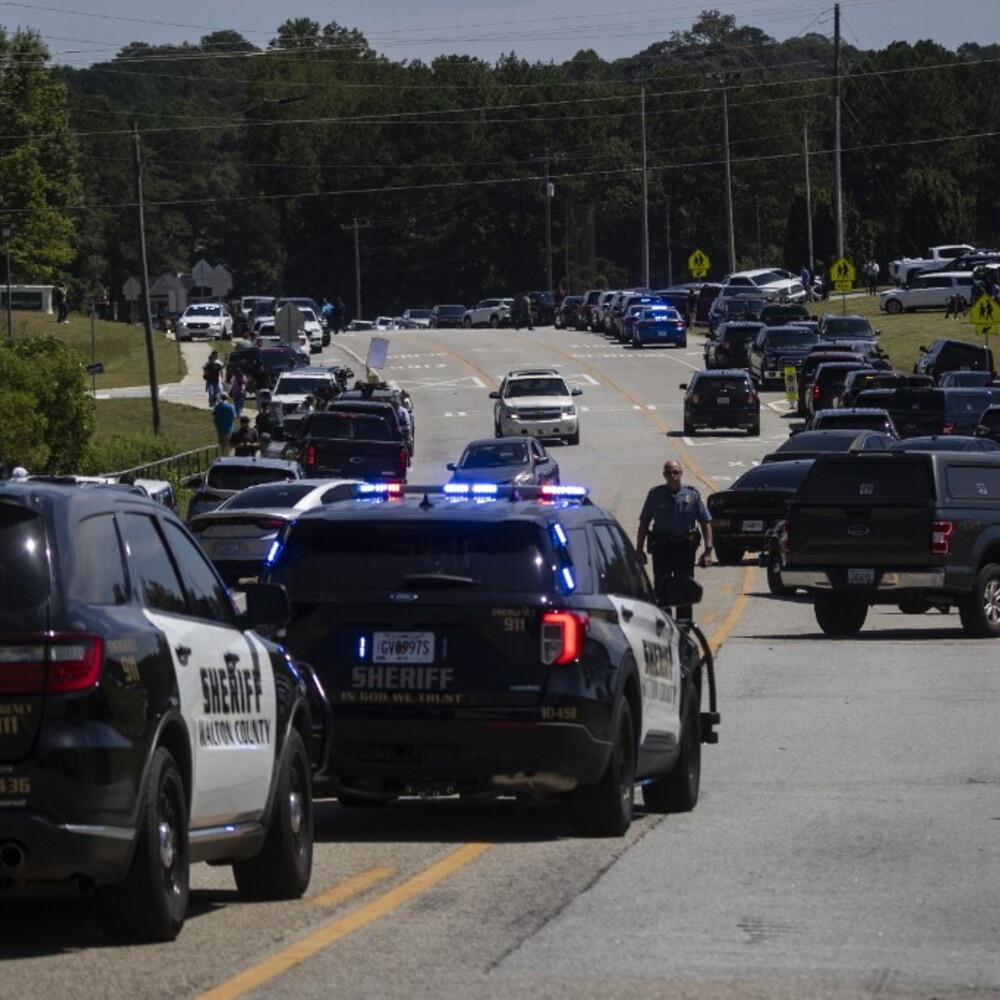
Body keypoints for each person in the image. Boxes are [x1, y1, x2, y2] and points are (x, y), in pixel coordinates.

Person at [635, 460, 713, 620]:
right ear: (664, 475)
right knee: (661, 586)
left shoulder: (692, 495)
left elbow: (705, 522)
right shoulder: (655, 495)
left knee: (685, 586)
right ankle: (665, 622)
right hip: (662, 548)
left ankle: (684, 624)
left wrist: (708, 550)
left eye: (676, 472)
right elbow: (644, 522)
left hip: (684, 549)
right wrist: (639, 550)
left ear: (681, 474)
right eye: (669, 472)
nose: (673, 476)